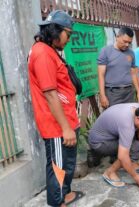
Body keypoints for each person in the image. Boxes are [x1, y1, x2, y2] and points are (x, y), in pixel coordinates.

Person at [28, 10, 84, 207]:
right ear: (56, 30)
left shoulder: (49, 50)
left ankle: (65, 194)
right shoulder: (42, 53)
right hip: (57, 126)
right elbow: (50, 93)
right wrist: (66, 128)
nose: (68, 40)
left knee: (67, 165)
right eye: (68, 35)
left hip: (66, 120)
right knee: (58, 168)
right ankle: (57, 202)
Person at [88, 104, 139, 187]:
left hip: (110, 137)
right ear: (138, 119)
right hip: (99, 143)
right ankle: (109, 172)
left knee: (136, 145)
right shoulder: (127, 124)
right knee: (136, 148)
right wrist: (136, 177)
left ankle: (129, 164)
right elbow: (122, 156)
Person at [97, 27, 139, 110]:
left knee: (129, 117)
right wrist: (102, 95)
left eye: (129, 42)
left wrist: (138, 91)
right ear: (117, 37)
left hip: (129, 92)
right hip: (112, 93)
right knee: (113, 118)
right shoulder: (105, 51)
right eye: (125, 41)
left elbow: (133, 73)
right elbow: (101, 75)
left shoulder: (131, 53)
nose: (127, 45)